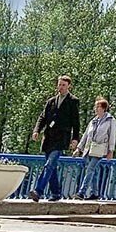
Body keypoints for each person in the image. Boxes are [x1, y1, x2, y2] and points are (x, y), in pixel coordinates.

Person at [29, 75, 81, 203]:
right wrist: (36, 130)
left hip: (61, 138)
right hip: (49, 138)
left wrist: (75, 139)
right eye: (59, 84)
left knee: (49, 164)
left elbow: (76, 121)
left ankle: (38, 191)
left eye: (63, 85)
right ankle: (56, 192)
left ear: (68, 86)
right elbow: (42, 117)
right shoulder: (51, 101)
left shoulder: (73, 101)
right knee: (51, 167)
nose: (61, 87)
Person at [75, 97, 116, 200]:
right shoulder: (93, 121)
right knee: (94, 171)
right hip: (89, 149)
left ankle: (81, 192)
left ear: (104, 108)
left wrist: (111, 150)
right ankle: (95, 193)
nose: (96, 109)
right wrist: (79, 148)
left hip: (100, 149)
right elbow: (85, 135)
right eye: (95, 107)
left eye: (98, 107)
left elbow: (112, 135)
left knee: (90, 169)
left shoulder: (110, 120)